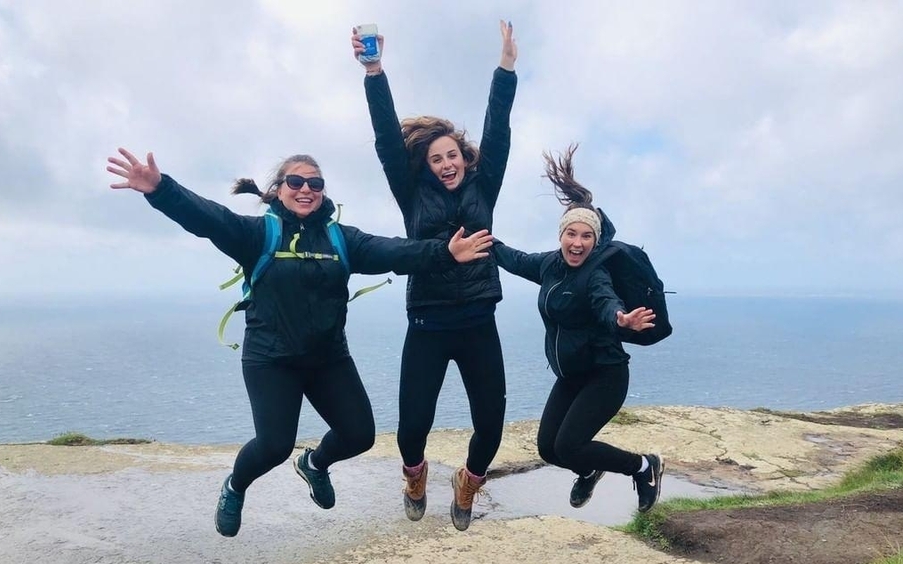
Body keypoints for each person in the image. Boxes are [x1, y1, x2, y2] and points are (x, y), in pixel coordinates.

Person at [106, 148, 493, 537]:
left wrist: (445, 252)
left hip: (327, 359)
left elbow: (394, 251)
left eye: (315, 183)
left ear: (324, 193)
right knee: (274, 445)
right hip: (271, 360)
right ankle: (235, 486)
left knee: (359, 436)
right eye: (296, 181)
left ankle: (314, 464)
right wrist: (160, 189)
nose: (306, 189)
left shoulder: (340, 238)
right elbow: (207, 217)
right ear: (278, 190)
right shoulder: (257, 235)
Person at [351, 21, 518, 531]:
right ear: (425, 165)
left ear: (465, 160)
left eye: (453, 156)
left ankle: (467, 484)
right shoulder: (412, 193)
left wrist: (505, 69)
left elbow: (498, 129)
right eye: (436, 158)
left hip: (477, 320)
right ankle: (415, 475)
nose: (447, 163)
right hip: (427, 321)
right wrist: (374, 72)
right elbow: (385, 139)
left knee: (490, 425)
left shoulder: (483, 185)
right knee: (411, 430)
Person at [491, 144, 664, 513]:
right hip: (571, 375)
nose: (578, 243)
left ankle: (644, 466)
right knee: (548, 449)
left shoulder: (595, 274)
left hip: (605, 374)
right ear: (561, 235)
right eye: (572, 234)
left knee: (568, 444)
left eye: (587, 237)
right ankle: (589, 471)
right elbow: (515, 259)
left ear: (595, 240)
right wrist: (484, 240)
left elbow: (605, 303)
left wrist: (621, 319)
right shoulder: (549, 266)